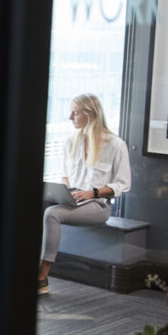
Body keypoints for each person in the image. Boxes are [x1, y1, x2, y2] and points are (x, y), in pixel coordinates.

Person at [38, 93, 130, 295]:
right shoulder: (71, 141)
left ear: (91, 114)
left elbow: (123, 185)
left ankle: (42, 276)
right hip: (72, 200)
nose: (70, 117)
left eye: (75, 113)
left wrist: (91, 193)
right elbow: (64, 176)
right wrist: (67, 191)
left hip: (98, 205)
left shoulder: (115, 145)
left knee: (52, 214)